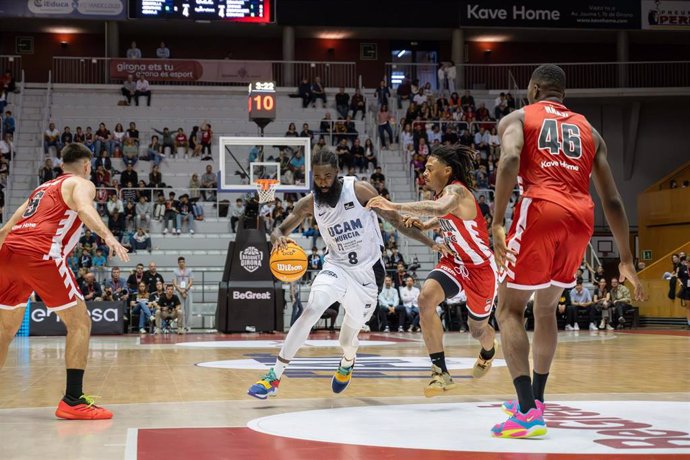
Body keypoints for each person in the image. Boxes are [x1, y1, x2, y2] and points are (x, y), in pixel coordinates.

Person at [491, 64, 644, 438]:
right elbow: (613, 200)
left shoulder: (518, 116)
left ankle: (526, 411)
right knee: (546, 308)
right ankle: (537, 400)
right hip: (581, 217)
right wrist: (626, 259)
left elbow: (510, 160)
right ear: (562, 93)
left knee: (509, 308)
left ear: (534, 88)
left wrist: (496, 221)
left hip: (541, 206)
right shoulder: (590, 131)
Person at [247, 150, 441, 399]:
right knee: (312, 309)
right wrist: (278, 238)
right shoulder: (309, 203)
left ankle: (348, 361)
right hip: (336, 267)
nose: (323, 182)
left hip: (368, 276)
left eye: (328, 176)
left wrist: (430, 243)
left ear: (337, 173)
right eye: (318, 177)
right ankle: (273, 376)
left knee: (347, 340)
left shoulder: (360, 191)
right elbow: (280, 228)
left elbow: (397, 221)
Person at [0, 143, 129, 420]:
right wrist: (107, 235)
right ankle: (73, 400)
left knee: (5, 330)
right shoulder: (81, 183)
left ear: (61, 166)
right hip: (42, 254)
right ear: (86, 166)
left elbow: (8, 227)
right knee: (80, 322)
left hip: (9, 253)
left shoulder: (42, 188)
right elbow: (84, 208)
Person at [368, 144, 498, 397]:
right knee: (425, 298)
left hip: (481, 268)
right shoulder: (443, 195)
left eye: (430, 168)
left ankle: (488, 351)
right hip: (453, 262)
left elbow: (440, 210)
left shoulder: (457, 191)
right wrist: (426, 226)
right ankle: (440, 372)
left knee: (477, 330)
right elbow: (443, 216)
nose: (424, 173)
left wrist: (393, 206)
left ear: (447, 170)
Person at [173, 256, 193, 332]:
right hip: (179, 291)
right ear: (178, 263)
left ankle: (188, 326)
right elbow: (174, 283)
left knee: (188, 309)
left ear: (185, 263)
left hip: (188, 291)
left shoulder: (189, 271)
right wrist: (181, 291)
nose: (182, 263)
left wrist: (185, 290)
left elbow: (191, 282)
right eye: (180, 262)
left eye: (183, 262)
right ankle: (181, 326)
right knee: (181, 310)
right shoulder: (175, 271)